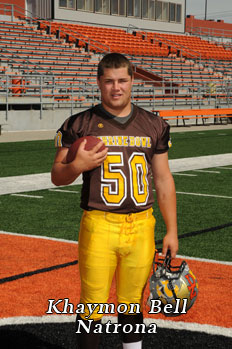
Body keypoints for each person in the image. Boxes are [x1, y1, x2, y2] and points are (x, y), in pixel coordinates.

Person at [51, 53, 178, 349]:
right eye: (109, 81)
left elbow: (163, 179)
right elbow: (57, 176)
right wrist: (77, 165)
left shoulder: (153, 124)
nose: (116, 87)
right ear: (99, 82)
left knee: (132, 304)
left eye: (122, 80)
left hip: (142, 225)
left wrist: (171, 230)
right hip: (99, 223)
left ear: (132, 81)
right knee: (92, 307)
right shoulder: (79, 123)